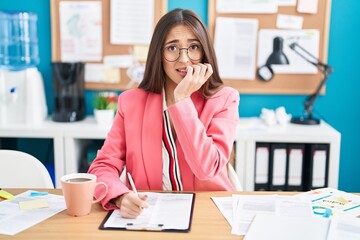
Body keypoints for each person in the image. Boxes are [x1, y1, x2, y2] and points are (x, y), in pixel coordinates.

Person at [88, 8, 240, 219]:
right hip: (148, 215)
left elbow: (207, 168)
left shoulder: (224, 99)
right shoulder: (130, 102)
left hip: (209, 215)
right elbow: (103, 166)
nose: (184, 59)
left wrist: (182, 101)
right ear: (159, 54)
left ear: (204, 52)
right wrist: (120, 196)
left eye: (193, 47)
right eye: (172, 48)